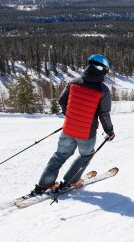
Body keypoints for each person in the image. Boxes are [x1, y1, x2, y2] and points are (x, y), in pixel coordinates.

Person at [30, 54, 115, 195]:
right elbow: (104, 114)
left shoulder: (74, 82)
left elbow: (62, 101)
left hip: (68, 129)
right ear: (102, 69)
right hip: (86, 133)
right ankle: (72, 180)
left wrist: (71, 117)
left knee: (60, 155)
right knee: (86, 155)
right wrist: (110, 131)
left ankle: (45, 183)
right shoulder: (103, 90)